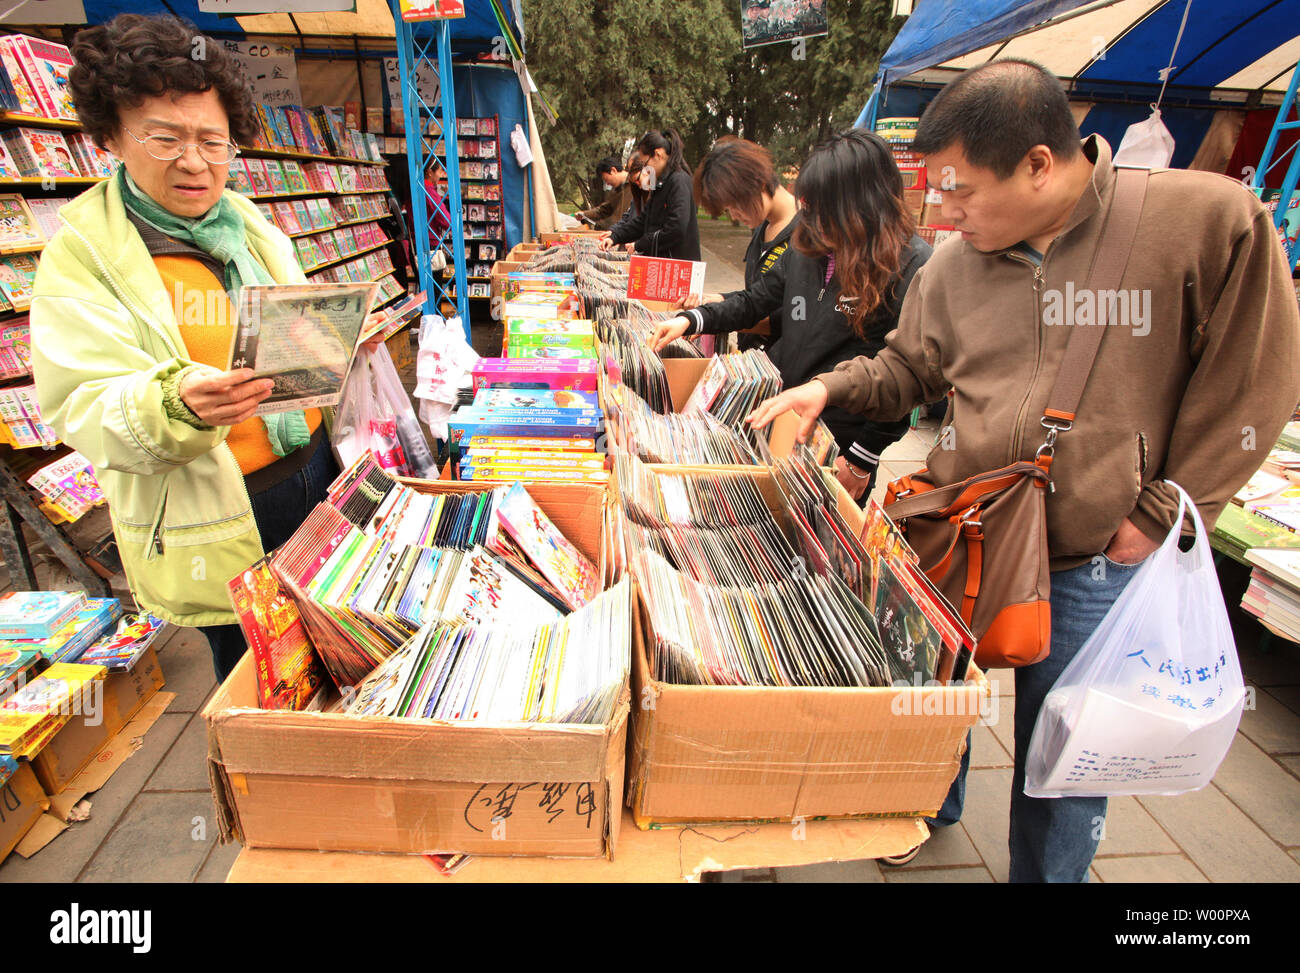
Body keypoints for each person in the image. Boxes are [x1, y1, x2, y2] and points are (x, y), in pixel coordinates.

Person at [747, 60, 1300, 881]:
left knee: (1062, 759)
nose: (942, 211)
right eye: (936, 191)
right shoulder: (953, 267)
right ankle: (937, 802)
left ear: (1041, 164)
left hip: (1090, 553)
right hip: (963, 523)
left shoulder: (1204, 221)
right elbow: (908, 370)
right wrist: (827, 385)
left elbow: (1256, 376)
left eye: (961, 190)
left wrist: (1163, 508)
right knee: (936, 687)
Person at [30, 13, 346, 681]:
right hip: (222, 515)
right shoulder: (85, 256)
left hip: (312, 478)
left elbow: (287, 331)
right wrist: (176, 402)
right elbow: (81, 402)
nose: (196, 162)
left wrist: (327, 338)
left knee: (336, 659)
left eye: (213, 140)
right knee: (261, 683)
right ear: (112, 135)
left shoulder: (248, 225)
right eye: (165, 137)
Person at [651, 129, 929, 500]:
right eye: (810, 208)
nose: (811, 222)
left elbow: (905, 375)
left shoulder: (911, 265)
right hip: (783, 416)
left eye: (824, 211)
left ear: (864, 204)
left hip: (838, 444)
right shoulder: (810, 248)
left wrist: (863, 459)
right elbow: (756, 300)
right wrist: (693, 319)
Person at [691, 137, 799, 352]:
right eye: (727, 209)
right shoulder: (763, 227)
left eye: (735, 206)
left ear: (757, 183)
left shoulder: (805, 236)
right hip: (752, 357)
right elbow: (761, 293)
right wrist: (723, 299)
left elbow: (796, 316)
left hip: (782, 364)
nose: (734, 216)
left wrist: (718, 317)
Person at [599, 129, 700, 260]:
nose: (646, 170)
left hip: (677, 266)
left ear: (658, 155)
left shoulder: (678, 181)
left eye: (645, 164)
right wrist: (615, 237)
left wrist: (640, 244)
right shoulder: (661, 184)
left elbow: (676, 228)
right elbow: (643, 221)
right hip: (663, 262)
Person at [573, 156, 632, 230]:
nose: (607, 183)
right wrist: (585, 214)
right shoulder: (615, 191)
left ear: (613, 170)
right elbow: (603, 210)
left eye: (606, 179)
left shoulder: (636, 184)